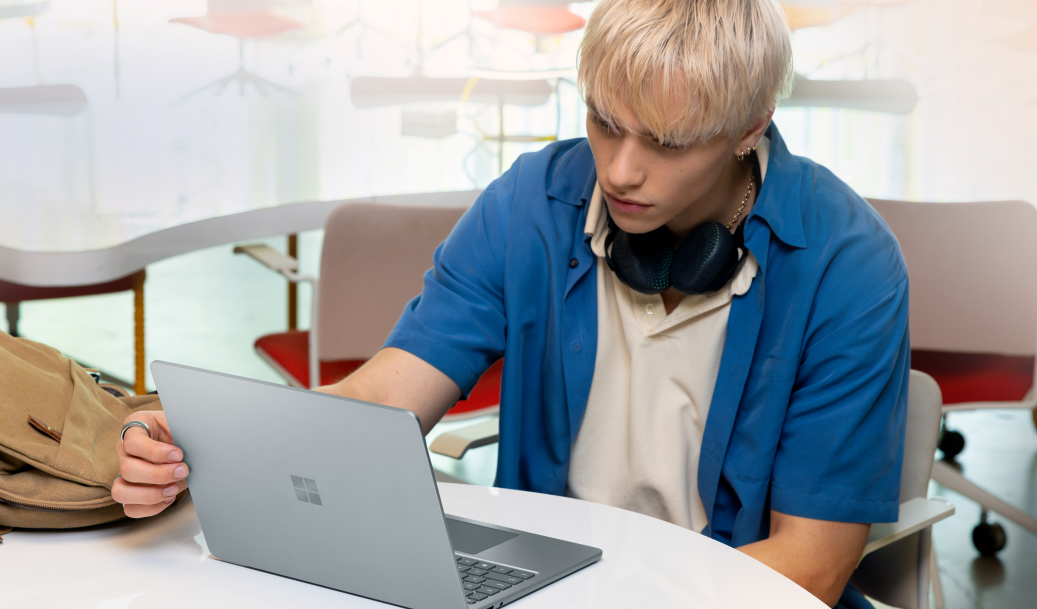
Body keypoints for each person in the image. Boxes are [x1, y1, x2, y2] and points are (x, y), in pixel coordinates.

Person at [112, 1, 909, 607]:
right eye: (603, 122)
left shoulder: (846, 263)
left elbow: (813, 562)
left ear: (749, 129)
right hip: (549, 584)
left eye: (666, 143)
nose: (620, 172)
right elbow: (384, 397)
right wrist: (206, 446)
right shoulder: (530, 200)